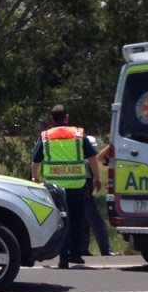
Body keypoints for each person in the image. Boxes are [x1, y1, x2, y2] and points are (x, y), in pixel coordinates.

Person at [31, 105, 101, 268]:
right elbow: (92, 158)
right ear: (67, 118)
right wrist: (97, 178)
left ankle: (63, 256)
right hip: (76, 184)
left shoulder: (46, 136)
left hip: (54, 188)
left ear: (52, 119)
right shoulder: (78, 135)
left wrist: (35, 178)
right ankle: (75, 254)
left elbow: (36, 160)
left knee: (60, 220)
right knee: (76, 219)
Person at [80, 146, 117, 257]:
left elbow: (99, 158)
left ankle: (83, 249)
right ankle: (105, 250)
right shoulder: (87, 162)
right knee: (98, 223)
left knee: (85, 223)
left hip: (79, 195)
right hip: (86, 196)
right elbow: (87, 179)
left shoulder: (83, 160)